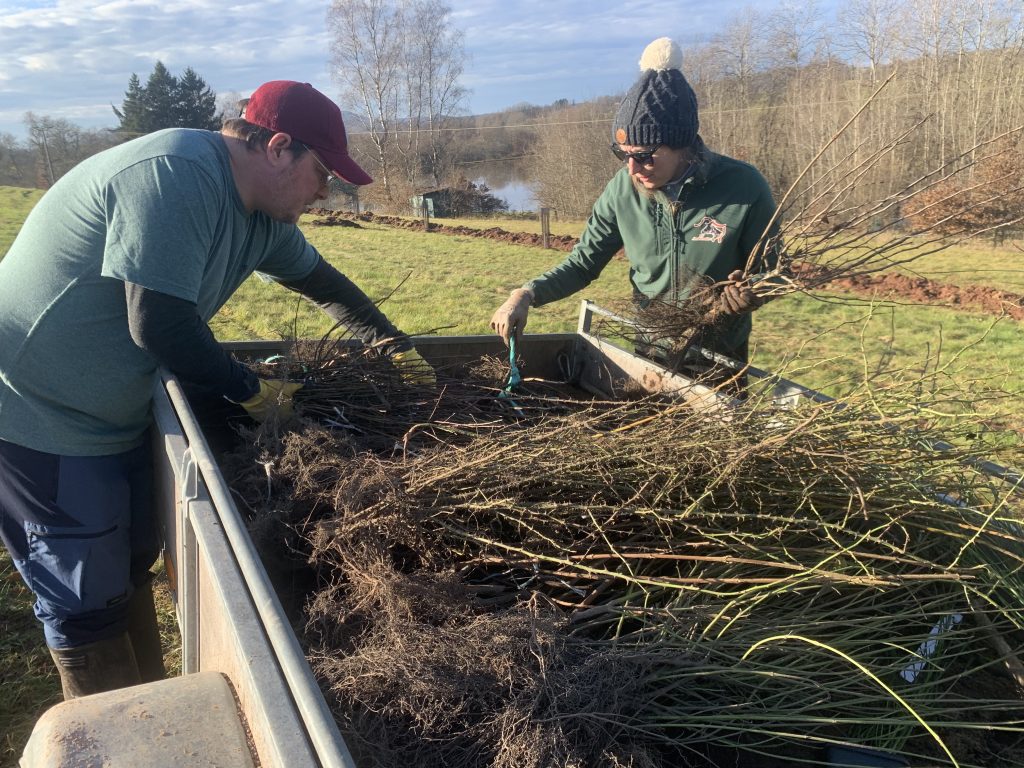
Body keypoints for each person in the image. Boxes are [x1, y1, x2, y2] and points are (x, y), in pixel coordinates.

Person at [0, 80, 433, 699]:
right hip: (40, 409)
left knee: (121, 570)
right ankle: (108, 737)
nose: (325, 192)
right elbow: (159, 324)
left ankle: (149, 704)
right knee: (81, 596)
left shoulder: (261, 216)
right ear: (280, 147)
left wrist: (394, 346)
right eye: (322, 173)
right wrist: (251, 391)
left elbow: (328, 285)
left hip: (114, 409)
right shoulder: (178, 173)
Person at [491, 38, 779, 383]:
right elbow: (583, 264)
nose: (632, 168)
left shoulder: (743, 187)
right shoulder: (622, 190)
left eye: (643, 155)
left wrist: (749, 293)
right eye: (622, 154)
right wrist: (525, 294)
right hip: (648, 356)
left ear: (682, 144)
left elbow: (772, 272)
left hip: (717, 362)